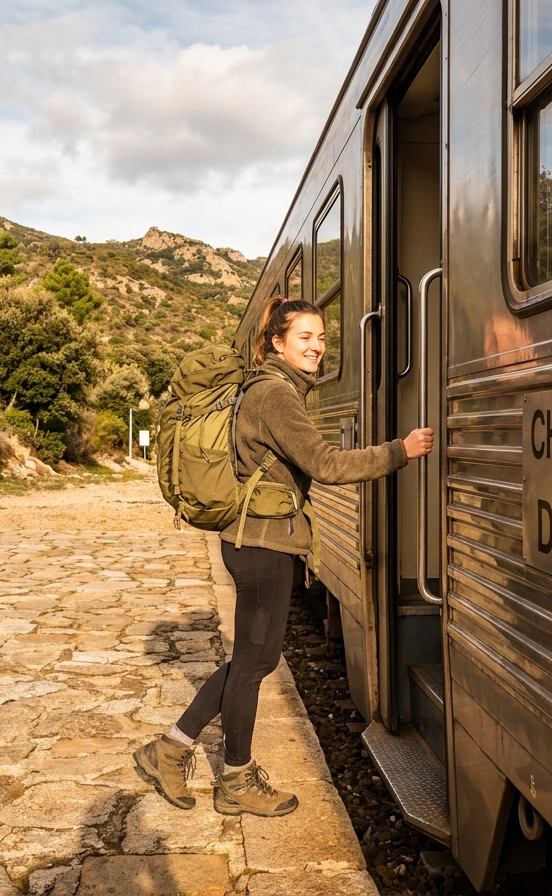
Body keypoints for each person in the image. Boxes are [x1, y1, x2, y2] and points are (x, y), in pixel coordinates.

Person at [135, 295, 434, 817]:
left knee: (253, 660)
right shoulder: (275, 395)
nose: (317, 346)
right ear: (277, 342)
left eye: (321, 337)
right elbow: (325, 464)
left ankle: (171, 748)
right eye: (305, 337)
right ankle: (234, 778)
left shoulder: (268, 389)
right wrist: (398, 452)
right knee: (253, 665)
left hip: (254, 540)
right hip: (262, 544)